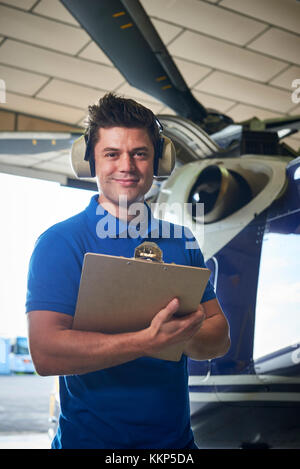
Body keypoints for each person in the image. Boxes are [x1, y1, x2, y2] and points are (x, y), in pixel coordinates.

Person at [26, 93, 230, 449]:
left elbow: (219, 338)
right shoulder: (61, 242)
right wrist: (147, 341)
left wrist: (181, 333)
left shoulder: (181, 241)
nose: (127, 166)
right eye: (112, 154)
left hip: (177, 448)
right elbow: (45, 353)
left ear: (158, 161)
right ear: (90, 161)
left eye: (140, 153)